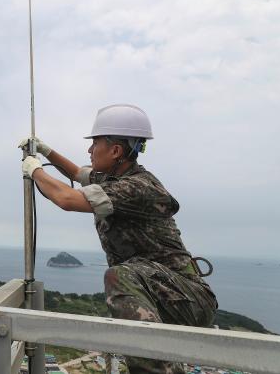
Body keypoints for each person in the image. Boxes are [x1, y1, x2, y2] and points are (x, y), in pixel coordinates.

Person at [20, 104, 218, 374]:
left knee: (119, 276)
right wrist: (45, 152)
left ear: (115, 151)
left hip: (186, 296)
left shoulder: (136, 187)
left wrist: (35, 171)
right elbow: (78, 174)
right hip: (165, 291)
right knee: (123, 277)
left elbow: (67, 198)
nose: (90, 150)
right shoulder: (115, 177)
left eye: (95, 144)